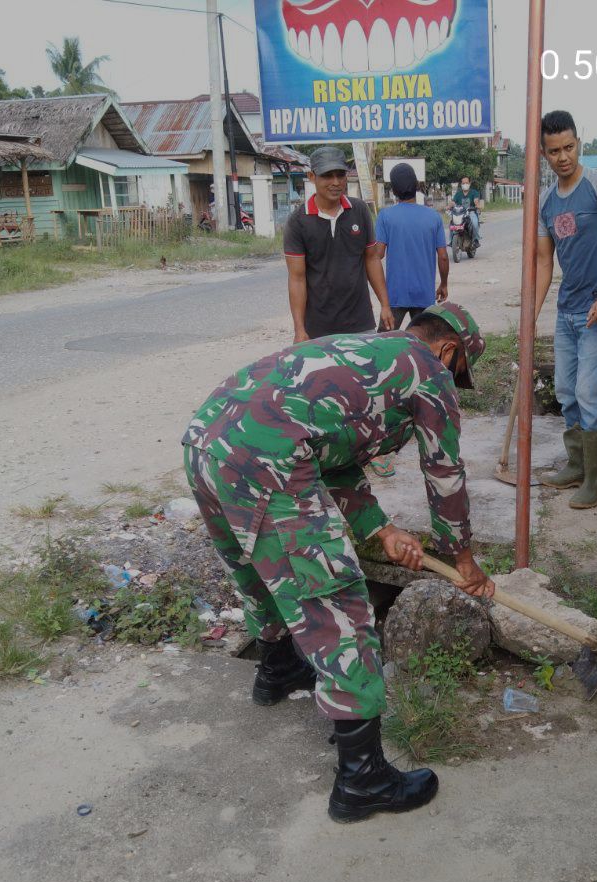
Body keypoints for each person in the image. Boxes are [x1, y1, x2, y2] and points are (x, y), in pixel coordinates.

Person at [182, 303, 494, 823]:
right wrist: (461, 557)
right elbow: (444, 472)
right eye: (460, 372)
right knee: (334, 598)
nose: (454, 383)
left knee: (258, 569)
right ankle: (363, 780)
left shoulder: (366, 350)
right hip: (269, 458)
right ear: (449, 351)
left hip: (206, 443)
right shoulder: (429, 369)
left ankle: (277, 669)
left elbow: (333, 454)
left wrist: (382, 528)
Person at [534, 109, 597, 509]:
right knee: (565, 392)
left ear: (579, 143)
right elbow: (545, 262)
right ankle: (577, 465)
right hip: (568, 309)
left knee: (587, 394)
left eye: (570, 147)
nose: (564, 157)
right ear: (544, 154)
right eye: (555, 151)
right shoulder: (546, 201)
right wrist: (531, 314)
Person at [284, 146, 395, 342]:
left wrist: (385, 305)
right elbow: (297, 278)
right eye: (327, 176)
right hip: (318, 328)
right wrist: (299, 329)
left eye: (340, 175)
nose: (336, 182)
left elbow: (372, 260)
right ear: (312, 177)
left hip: (360, 323)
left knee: (364, 372)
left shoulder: (359, 210)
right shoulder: (298, 221)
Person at [375, 162, 449, 329]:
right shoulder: (433, 217)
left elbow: (377, 254)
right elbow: (443, 257)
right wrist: (443, 284)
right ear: (417, 186)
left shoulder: (385, 216)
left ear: (393, 190)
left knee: (383, 345)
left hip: (394, 296)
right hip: (424, 295)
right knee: (424, 345)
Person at [452, 175, 484, 245]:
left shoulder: (474, 192)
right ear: (461, 184)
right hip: (460, 213)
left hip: (471, 212)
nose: (465, 184)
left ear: (469, 183)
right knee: (452, 224)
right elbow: (453, 202)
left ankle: (475, 239)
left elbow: (476, 201)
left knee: (475, 223)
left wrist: (477, 205)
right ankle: (452, 241)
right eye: (463, 183)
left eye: (466, 183)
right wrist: (448, 206)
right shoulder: (458, 194)